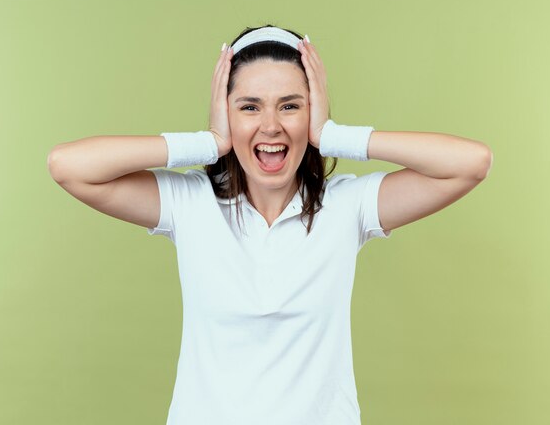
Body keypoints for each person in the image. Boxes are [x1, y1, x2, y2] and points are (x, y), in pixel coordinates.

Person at [47, 24, 493, 425]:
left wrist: (335, 136)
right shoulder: (189, 204)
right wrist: (208, 143)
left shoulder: (347, 207)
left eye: (290, 106)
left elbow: (470, 163)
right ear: (227, 114)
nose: (271, 126)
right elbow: (68, 165)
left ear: (311, 113)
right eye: (249, 107)